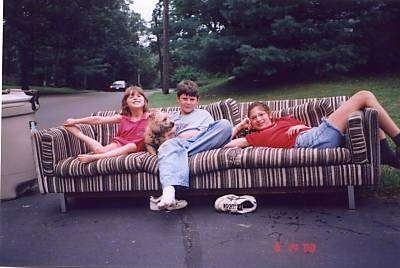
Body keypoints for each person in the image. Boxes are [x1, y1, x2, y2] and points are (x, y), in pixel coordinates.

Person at [224, 90, 400, 169]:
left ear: (269, 114)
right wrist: (240, 125)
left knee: (367, 110)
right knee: (364, 96)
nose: (258, 120)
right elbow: (226, 144)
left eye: (261, 115)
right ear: (251, 123)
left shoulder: (284, 119)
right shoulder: (255, 137)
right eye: (254, 118)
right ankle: (394, 144)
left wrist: (302, 126)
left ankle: (385, 154)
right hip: (311, 141)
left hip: (315, 135)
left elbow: (310, 130)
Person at [152, 80, 232, 211]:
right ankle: (169, 191)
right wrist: (172, 137)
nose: (188, 102)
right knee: (169, 145)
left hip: (200, 143)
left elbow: (210, 134)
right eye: (184, 98)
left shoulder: (203, 114)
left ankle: (178, 155)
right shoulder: (172, 117)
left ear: (197, 101)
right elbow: (165, 138)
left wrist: (190, 135)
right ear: (178, 99)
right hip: (178, 145)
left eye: (192, 99)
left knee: (225, 124)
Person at [63, 86, 149, 163]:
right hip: (120, 143)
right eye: (131, 96)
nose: (135, 98)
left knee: (131, 146)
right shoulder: (123, 118)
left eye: (139, 96)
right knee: (100, 150)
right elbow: (98, 120)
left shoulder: (151, 116)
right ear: (126, 103)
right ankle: (79, 134)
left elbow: (161, 122)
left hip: (136, 146)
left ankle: (95, 157)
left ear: (144, 101)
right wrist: (75, 121)